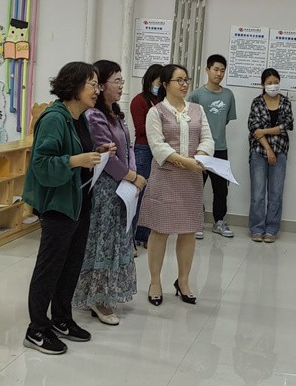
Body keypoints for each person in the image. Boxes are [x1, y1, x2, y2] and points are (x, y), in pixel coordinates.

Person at [22, 61, 116, 355]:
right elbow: (41, 164)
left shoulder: (79, 117)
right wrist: (76, 161)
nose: (97, 90)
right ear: (74, 87)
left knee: (71, 263)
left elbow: (76, 152)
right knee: (50, 267)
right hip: (58, 204)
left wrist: (95, 153)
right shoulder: (54, 118)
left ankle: (61, 319)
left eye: (98, 84)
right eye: (92, 84)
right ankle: (37, 329)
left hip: (79, 200)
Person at [72, 60, 146, 326]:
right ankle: (97, 297)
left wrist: (133, 176)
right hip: (105, 189)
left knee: (117, 241)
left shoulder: (116, 113)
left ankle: (106, 292)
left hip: (122, 186)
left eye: (122, 81)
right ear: (101, 86)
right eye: (116, 81)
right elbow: (107, 158)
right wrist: (132, 177)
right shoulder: (95, 116)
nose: (121, 86)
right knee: (102, 242)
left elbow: (128, 148)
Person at [138, 64, 214, 306]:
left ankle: (183, 281)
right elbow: (157, 145)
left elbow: (207, 138)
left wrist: (200, 155)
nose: (184, 84)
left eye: (186, 80)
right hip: (165, 177)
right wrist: (185, 161)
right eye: (178, 80)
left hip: (191, 178)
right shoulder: (156, 112)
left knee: (188, 230)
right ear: (165, 84)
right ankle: (155, 282)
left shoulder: (197, 110)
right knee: (160, 230)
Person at [189, 54, 237, 239]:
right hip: (199, 149)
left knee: (221, 188)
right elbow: (190, 122)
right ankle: (196, 221)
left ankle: (219, 221)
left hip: (220, 148)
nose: (219, 74)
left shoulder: (228, 95)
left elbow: (225, 120)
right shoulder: (196, 95)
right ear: (207, 70)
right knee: (196, 186)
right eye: (216, 69)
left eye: (222, 70)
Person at [247, 68, 294, 243]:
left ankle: (271, 229)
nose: (273, 85)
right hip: (259, 151)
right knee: (258, 194)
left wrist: (265, 131)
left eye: (276, 82)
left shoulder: (285, 102)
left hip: (280, 151)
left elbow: (287, 125)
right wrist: (268, 149)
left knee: (276, 193)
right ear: (263, 85)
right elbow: (254, 128)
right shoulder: (257, 102)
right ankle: (257, 228)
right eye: (269, 83)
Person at [130, 64, 163, 248]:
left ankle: (144, 235)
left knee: (153, 195)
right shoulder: (139, 100)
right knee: (139, 193)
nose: (161, 85)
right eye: (159, 81)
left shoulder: (163, 101)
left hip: (160, 150)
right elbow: (140, 129)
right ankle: (131, 238)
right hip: (144, 149)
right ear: (150, 80)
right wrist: (159, 126)